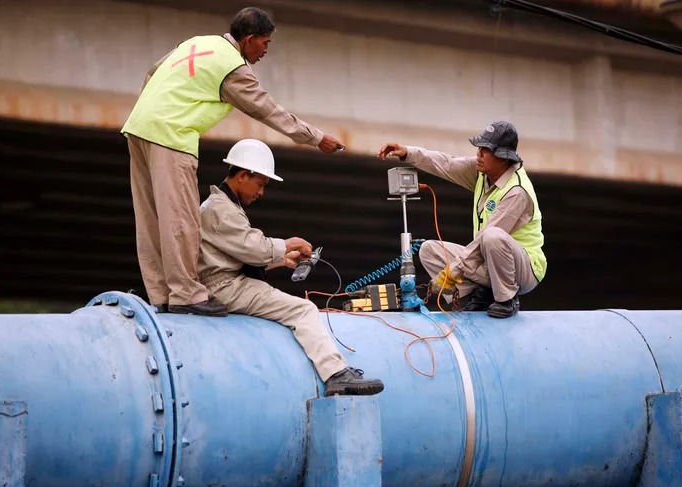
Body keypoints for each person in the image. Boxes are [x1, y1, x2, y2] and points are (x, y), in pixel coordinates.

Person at [121, 7, 344, 316]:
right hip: (171, 134)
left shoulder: (197, 43)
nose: (266, 50)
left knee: (151, 219)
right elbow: (268, 110)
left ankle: (160, 295)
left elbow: (152, 72)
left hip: (139, 126)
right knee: (181, 218)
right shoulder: (233, 68)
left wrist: (154, 108)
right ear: (249, 39)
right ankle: (186, 294)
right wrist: (316, 137)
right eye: (264, 43)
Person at [198, 138, 384, 396]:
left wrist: (280, 260)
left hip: (222, 282)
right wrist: (288, 244)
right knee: (304, 309)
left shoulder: (222, 205)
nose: (261, 192)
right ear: (242, 175)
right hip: (226, 288)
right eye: (260, 184)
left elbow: (234, 253)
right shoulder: (221, 209)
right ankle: (335, 373)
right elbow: (253, 247)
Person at [377, 121, 546, 318]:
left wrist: (452, 272)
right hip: (488, 258)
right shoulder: (482, 173)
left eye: (486, 150)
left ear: (503, 158)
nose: (479, 154)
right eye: (479, 148)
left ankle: (506, 299)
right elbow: (446, 163)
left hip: (522, 271)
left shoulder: (516, 191)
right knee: (429, 250)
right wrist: (408, 152)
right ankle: (479, 295)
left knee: (492, 236)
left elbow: (484, 239)